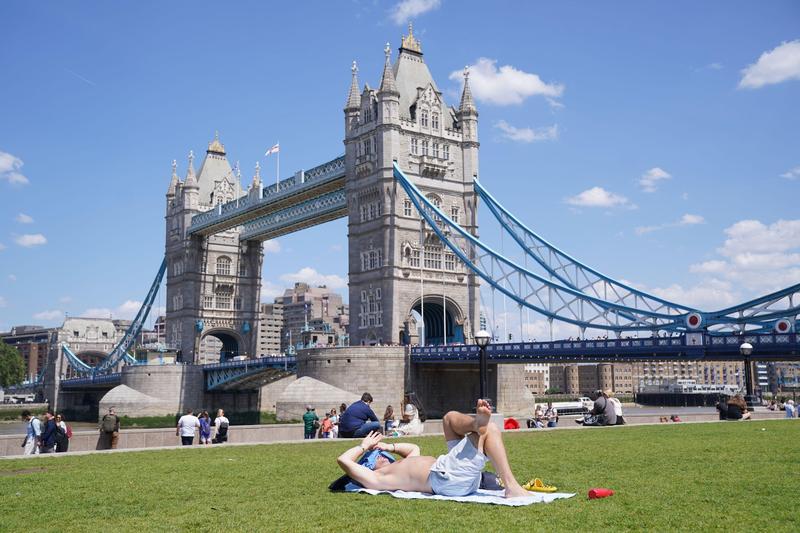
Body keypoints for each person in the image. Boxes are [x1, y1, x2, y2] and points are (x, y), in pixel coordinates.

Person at [335, 399, 530, 498]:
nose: (382, 455)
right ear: (368, 466)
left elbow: (413, 447)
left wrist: (389, 445)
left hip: (449, 471)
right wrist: (363, 446)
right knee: (491, 430)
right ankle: (511, 487)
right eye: (377, 455)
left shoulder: (400, 466)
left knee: (448, 419)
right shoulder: (376, 479)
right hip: (447, 477)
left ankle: (475, 424)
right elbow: (344, 460)